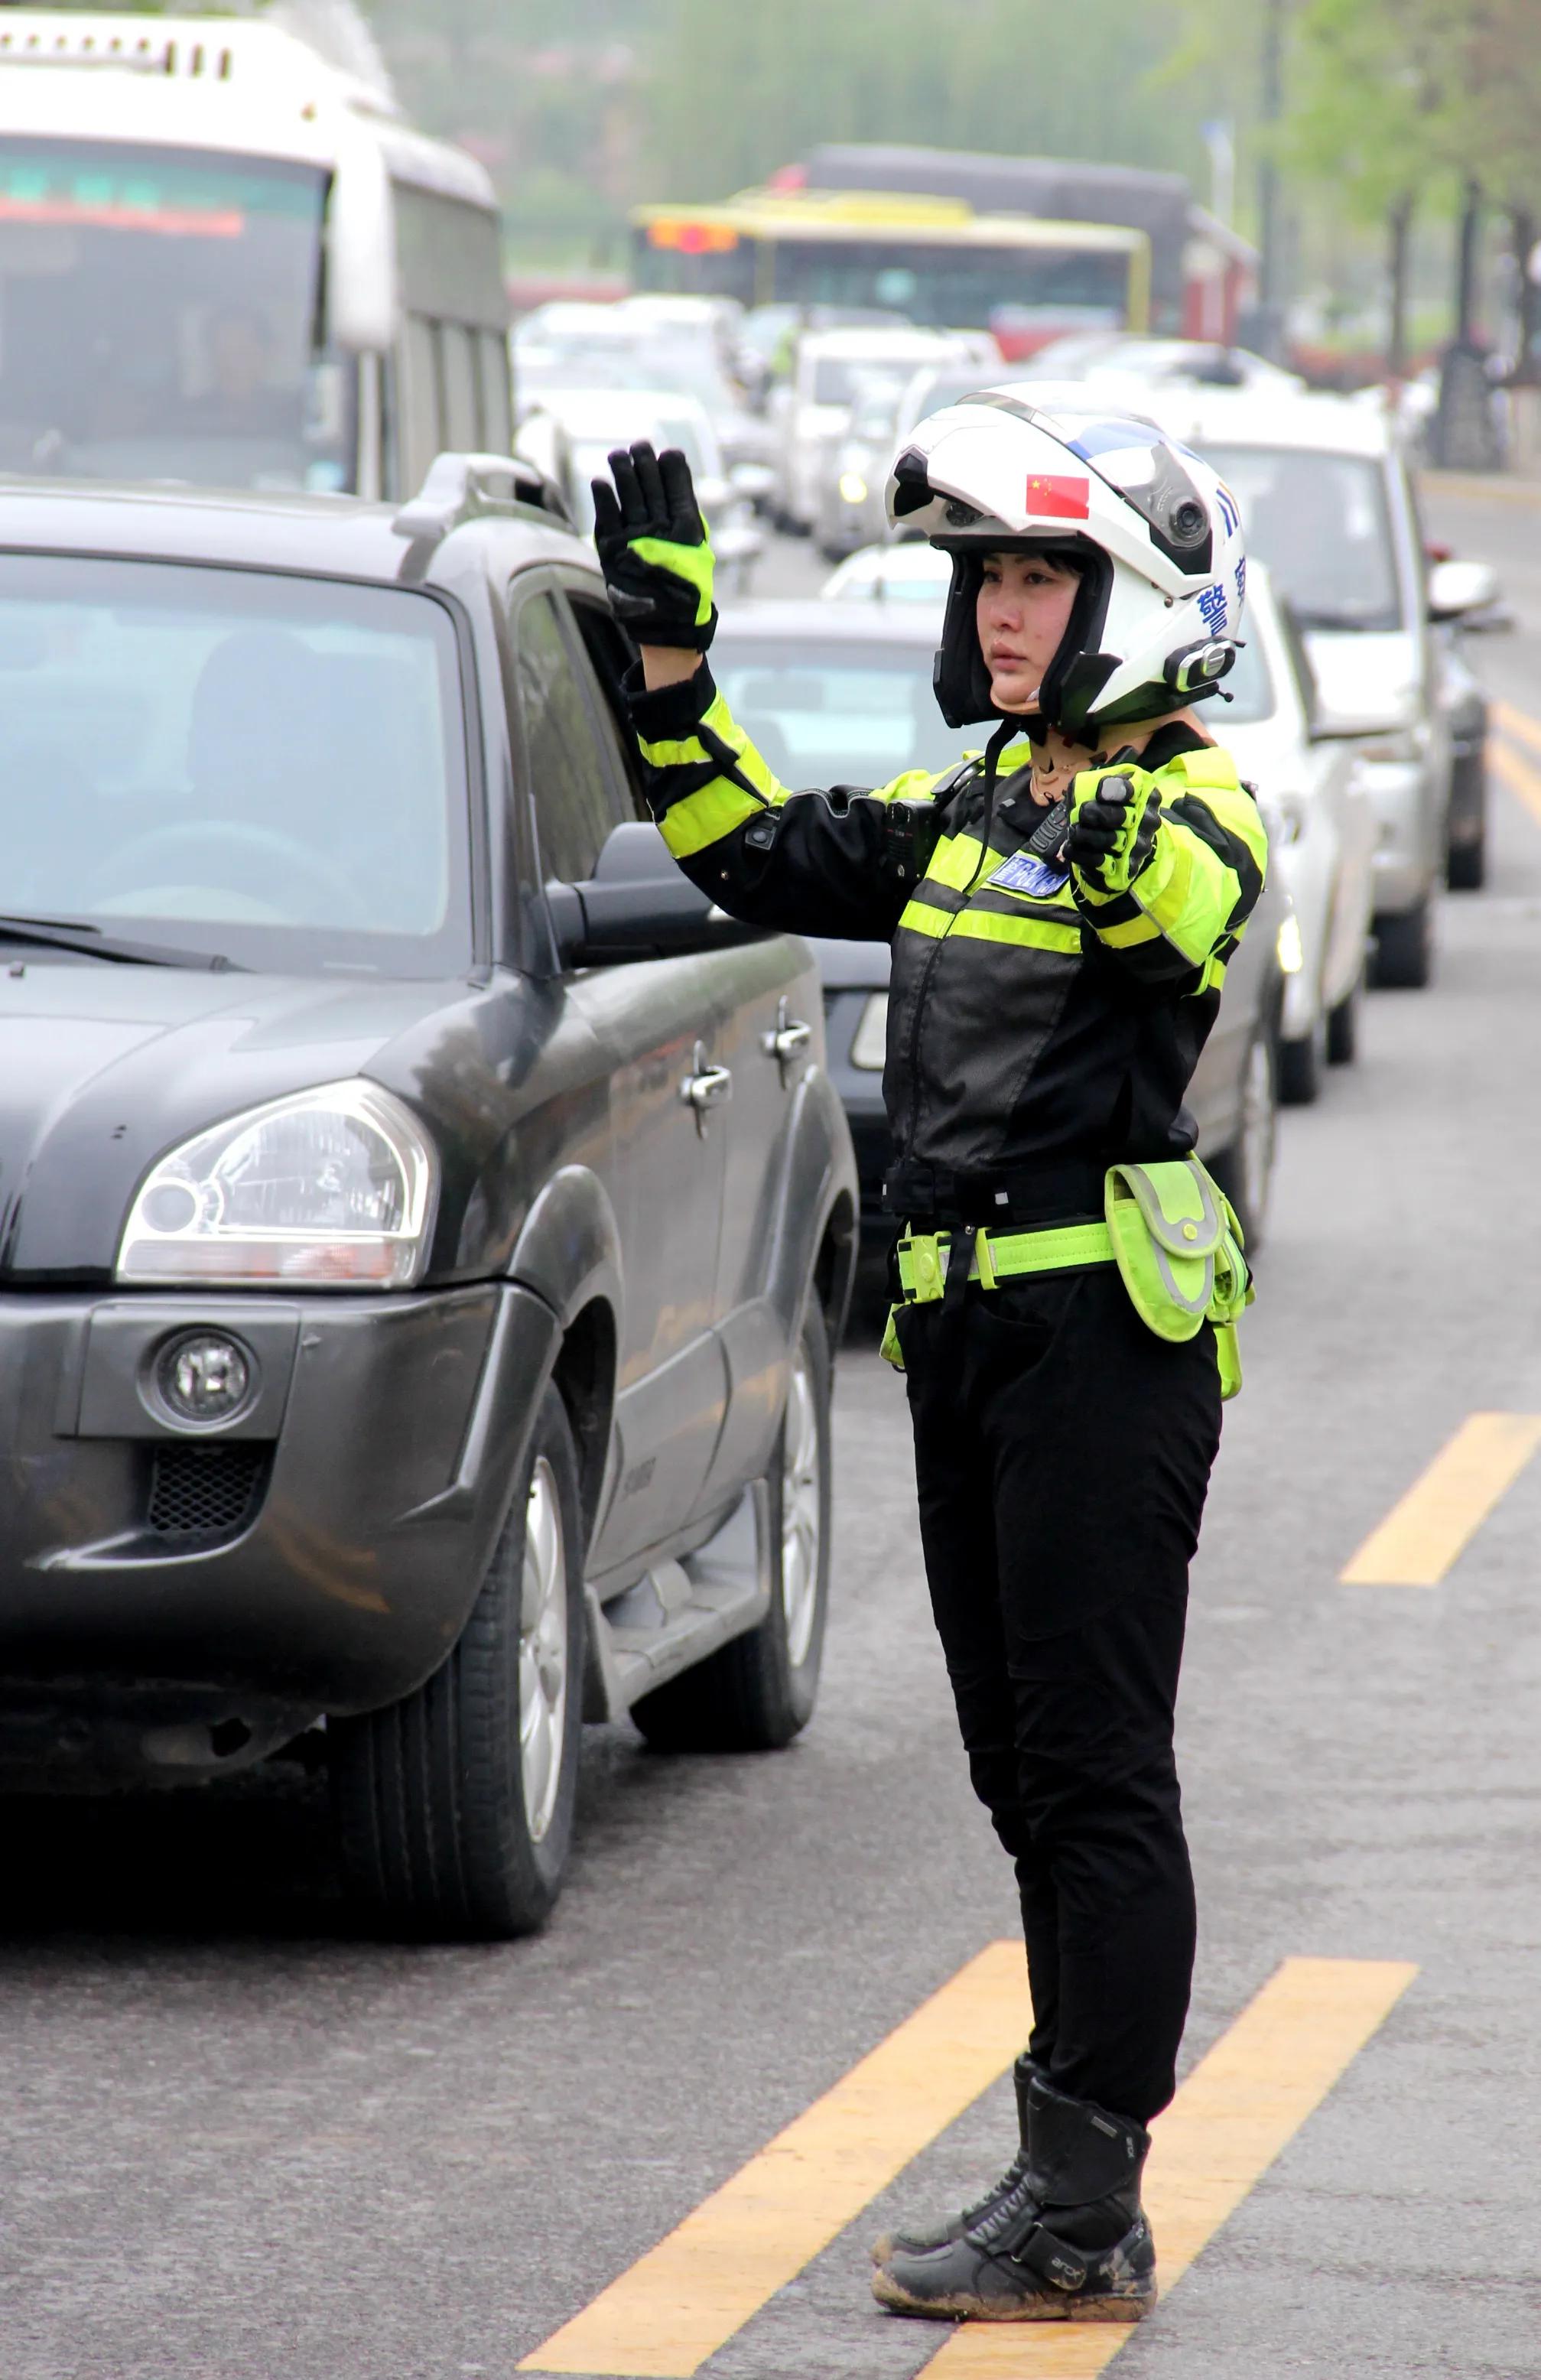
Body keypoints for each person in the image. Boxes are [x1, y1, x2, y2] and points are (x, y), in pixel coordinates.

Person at [591, 394, 1265, 2328]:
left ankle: (1083, 2206)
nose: (999, 612)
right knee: (1024, 1774)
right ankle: (1070, 2182)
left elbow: (1188, 903)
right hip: (963, 1343)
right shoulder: (972, 808)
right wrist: (670, 663)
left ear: (1127, 594)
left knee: (1098, 1771)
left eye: (1037, 573)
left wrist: (1091, 767)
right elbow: (738, 844)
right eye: (985, 578)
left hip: (1099, 1351)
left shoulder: (1185, 798)